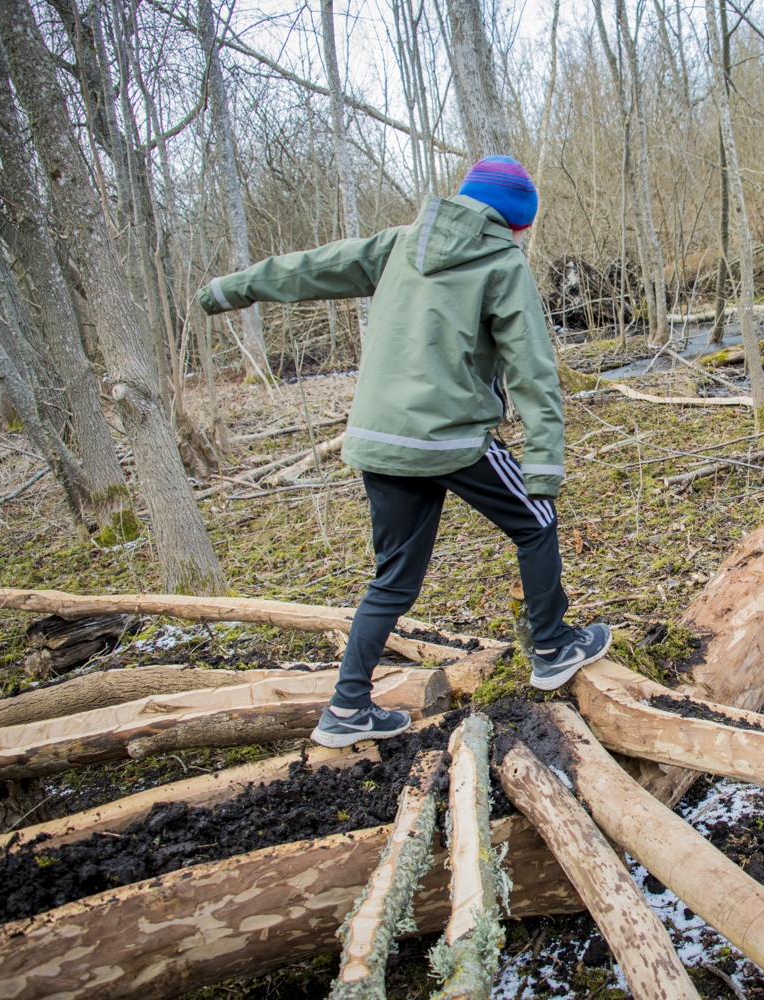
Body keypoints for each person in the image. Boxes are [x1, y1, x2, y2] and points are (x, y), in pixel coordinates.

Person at [196, 156, 610, 748]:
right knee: (536, 521)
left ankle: (346, 710)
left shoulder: (400, 244)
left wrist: (226, 290)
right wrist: (544, 463)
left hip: (380, 439)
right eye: (527, 226)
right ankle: (551, 646)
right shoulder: (503, 263)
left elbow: (308, 270)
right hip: (449, 437)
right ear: (517, 221)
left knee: (391, 580)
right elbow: (533, 371)